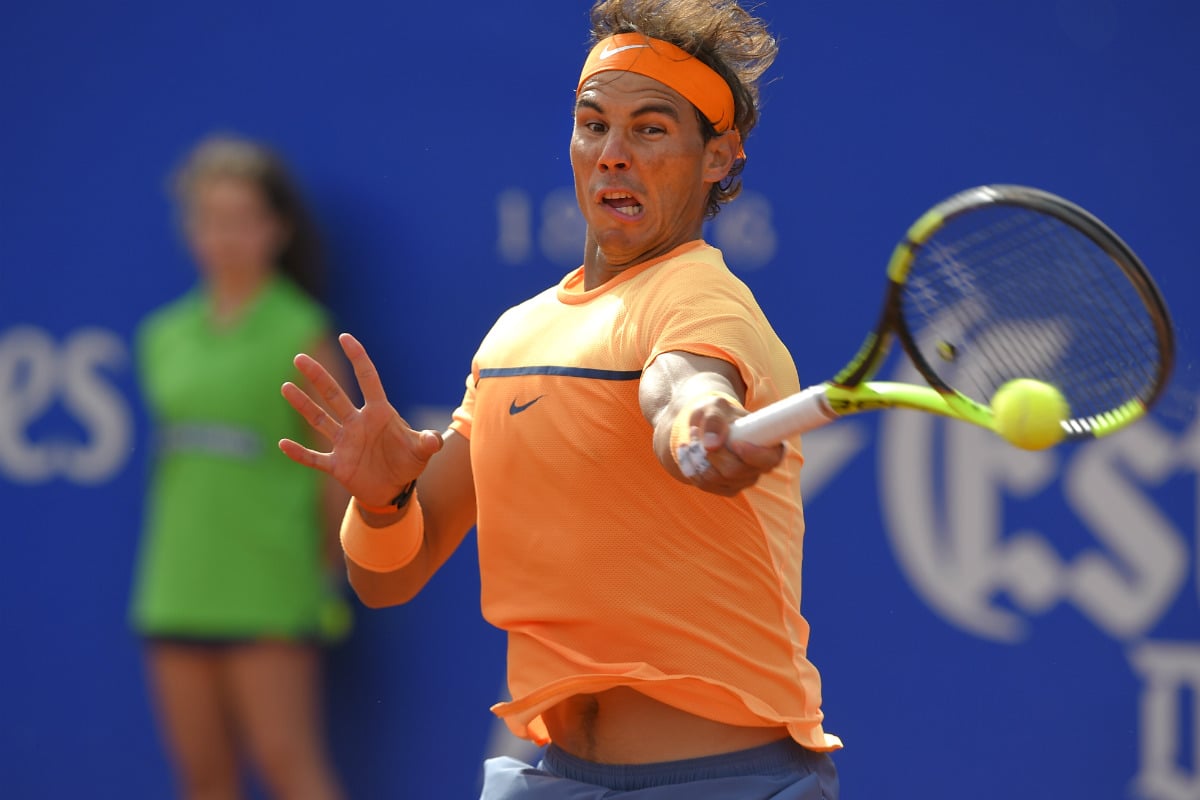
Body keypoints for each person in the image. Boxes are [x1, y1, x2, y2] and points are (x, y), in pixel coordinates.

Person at [281, 1, 841, 797]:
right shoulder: (516, 335)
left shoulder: (702, 303)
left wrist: (697, 424)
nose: (613, 154)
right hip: (549, 777)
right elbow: (387, 578)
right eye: (593, 125)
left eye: (651, 130)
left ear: (718, 156)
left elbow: (682, 382)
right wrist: (381, 504)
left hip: (728, 781)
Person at [130, 134, 348, 800]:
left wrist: (332, 572)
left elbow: (337, 468)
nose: (222, 238)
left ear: (274, 229)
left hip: (271, 585)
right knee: (202, 777)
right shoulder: (162, 336)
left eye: (240, 220)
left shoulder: (301, 330)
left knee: (289, 764)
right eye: (208, 220)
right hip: (176, 584)